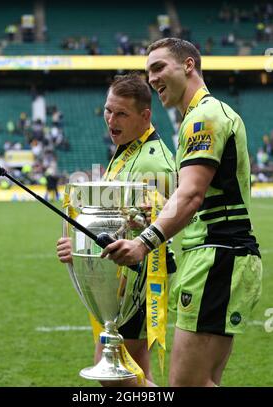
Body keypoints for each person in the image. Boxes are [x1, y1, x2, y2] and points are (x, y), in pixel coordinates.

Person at [102, 38, 263, 387]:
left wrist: (143, 243)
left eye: (159, 67)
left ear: (188, 65)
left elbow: (191, 194)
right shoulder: (198, 117)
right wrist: (145, 219)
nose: (152, 78)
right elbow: (191, 198)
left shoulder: (203, 116)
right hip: (211, 257)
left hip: (218, 255)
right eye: (149, 72)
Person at [56, 73, 176, 386]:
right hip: (123, 276)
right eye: (109, 110)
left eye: (121, 113)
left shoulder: (154, 163)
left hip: (141, 282)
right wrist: (80, 251)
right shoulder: (127, 150)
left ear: (145, 116)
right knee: (127, 374)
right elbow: (118, 221)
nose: (111, 119)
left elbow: (169, 225)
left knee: (117, 376)